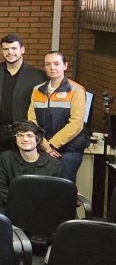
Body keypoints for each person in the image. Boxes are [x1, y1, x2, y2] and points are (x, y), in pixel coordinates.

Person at [0, 34, 45, 155]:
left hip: (23, 134)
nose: (10, 52)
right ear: (1, 50)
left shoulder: (37, 76)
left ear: (22, 50)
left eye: (14, 48)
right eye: (5, 49)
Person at [27, 51, 89, 182]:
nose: (52, 67)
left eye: (56, 64)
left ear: (65, 66)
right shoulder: (37, 90)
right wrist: (45, 145)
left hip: (69, 151)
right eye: (48, 64)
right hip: (43, 149)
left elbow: (76, 124)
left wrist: (53, 144)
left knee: (64, 190)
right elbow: (32, 122)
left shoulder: (76, 90)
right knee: (43, 189)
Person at [0, 121, 64, 206]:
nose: (25, 139)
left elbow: (60, 192)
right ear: (15, 139)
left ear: (38, 139)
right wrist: (20, 201)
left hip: (44, 209)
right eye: (20, 135)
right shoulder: (6, 158)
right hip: (14, 207)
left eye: (29, 135)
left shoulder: (54, 164)